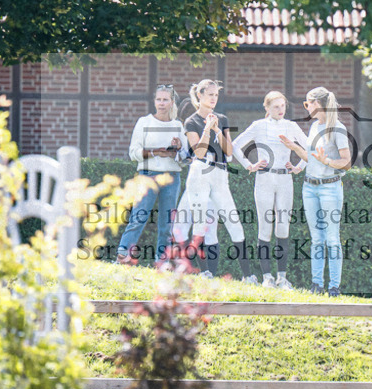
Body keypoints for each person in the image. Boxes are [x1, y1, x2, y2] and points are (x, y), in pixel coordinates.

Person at [172, 79, 258, 283]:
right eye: (209, 94)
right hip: (200, 172)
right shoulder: (191, 121)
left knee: (234, 222)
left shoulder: (222, 118)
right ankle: (205, 272)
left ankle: (248, 275)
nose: (213, 98)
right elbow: (199, 152)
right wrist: (207, 129)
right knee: (200, 223)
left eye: (216, 95)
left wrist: (218, 130)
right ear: (199, 96)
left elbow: (228, 151)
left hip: (220, 173)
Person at [232, 91, 308, 289]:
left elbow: (310, 147)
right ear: (266, 108)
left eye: (283, 106)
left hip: (285, 178)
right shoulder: (259, 125)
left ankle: (282, 277)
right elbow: (235, 145)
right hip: (264, 177)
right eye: (275, 106)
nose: (280, 110)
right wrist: (249, 164)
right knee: (265, 227)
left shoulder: (291, 126)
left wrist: (300, 166)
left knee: (283, 227)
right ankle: (267, 277)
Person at [281, 86, 351, 296]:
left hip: (330, 187)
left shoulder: (337, 129)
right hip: (310, 187)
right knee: (317, 238)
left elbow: (346, 162)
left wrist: (327, 160)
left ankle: (334, 287)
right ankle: (317, 284)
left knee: (332, 238)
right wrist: (295, 149)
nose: (306, 106)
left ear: (317, 104)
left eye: (307, 103)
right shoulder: (314, 127)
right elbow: (311, 157)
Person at [116, 85, 185, 265]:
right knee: (138, 218)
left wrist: (177, 149)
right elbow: (133, 152)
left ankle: (162, 263)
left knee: (167, 224)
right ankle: (122, 257)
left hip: (172, 177)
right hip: (147, 175)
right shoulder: (144, 122)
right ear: (154, 101)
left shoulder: (178, 126)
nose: (161, 103)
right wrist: (155, 152)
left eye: (165, 100)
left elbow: (185, 158)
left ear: (172, 102)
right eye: (158, 99)